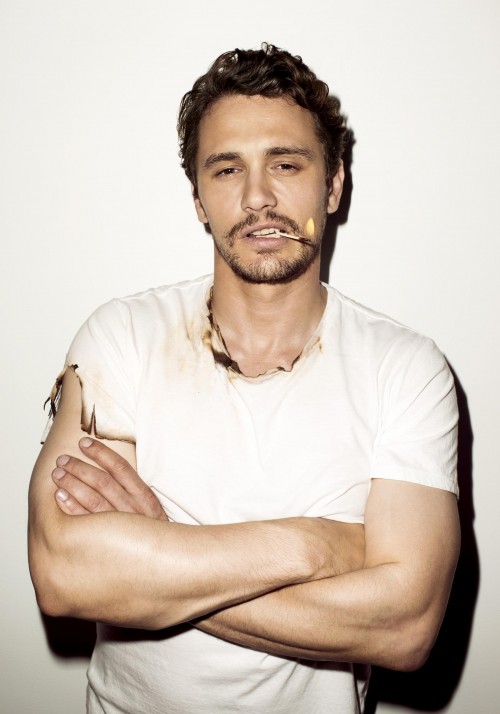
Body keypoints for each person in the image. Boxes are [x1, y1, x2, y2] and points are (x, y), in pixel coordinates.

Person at [28, 44, 460, 714]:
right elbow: (64, 573)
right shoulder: (123, 337)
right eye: (227, 169)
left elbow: (405, 627)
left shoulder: (405, 368)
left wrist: (160, 549)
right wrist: (314, 546)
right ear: (199, 200)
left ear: (333, 185)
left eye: (286, 164)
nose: (258, 197)